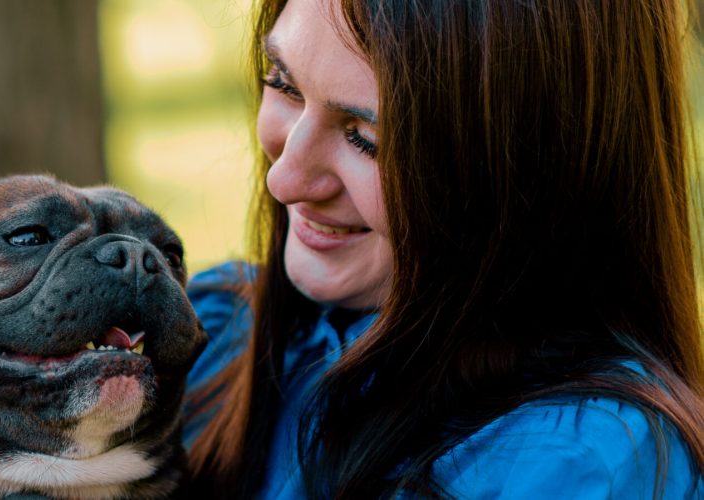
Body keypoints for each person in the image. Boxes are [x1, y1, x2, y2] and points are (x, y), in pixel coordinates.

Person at [180, 0, 704, 497]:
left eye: (367, 137)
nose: (283, 179)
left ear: (535, 166)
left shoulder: (580, 463)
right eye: (284, 84)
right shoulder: (213, 332)